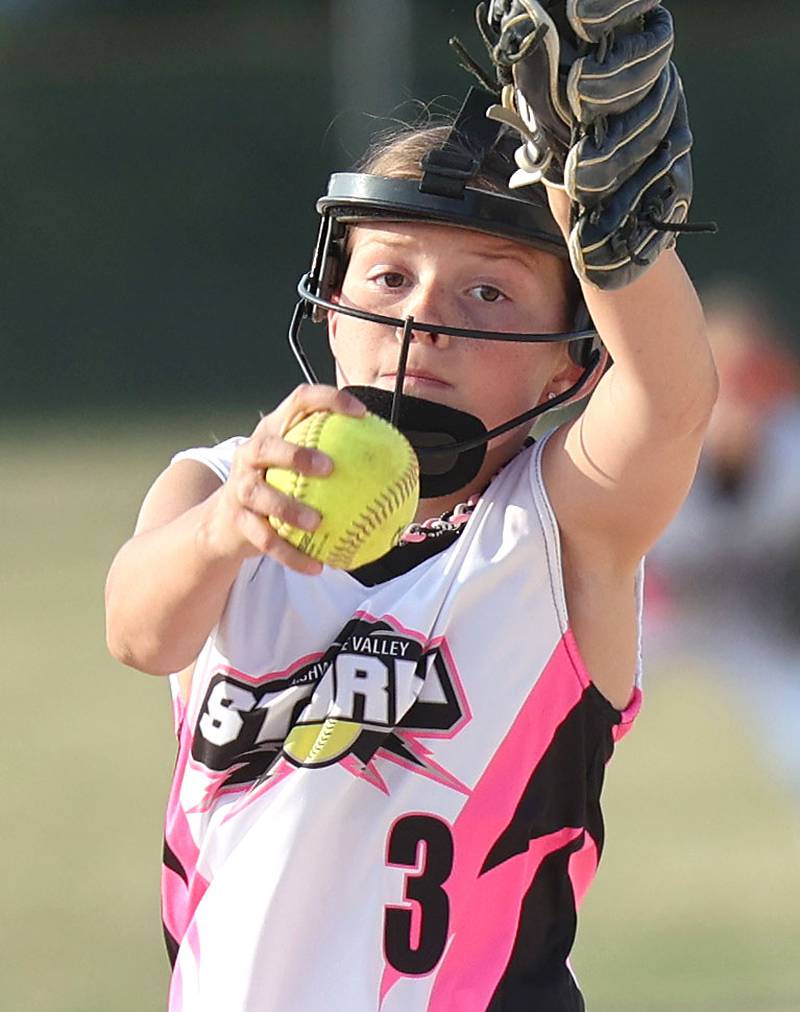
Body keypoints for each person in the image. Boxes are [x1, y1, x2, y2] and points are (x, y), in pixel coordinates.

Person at [104, 34, 717, 1012]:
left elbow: (671, 394)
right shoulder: (221, 486)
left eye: (487, 290)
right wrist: (225, 530)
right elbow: (139, 632)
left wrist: (591, 191)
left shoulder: (555, 529)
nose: (422, 321)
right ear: (333, 307)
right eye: (388, 278)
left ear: (568, 363)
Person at [647, 285, 800, 790]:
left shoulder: (791, 450)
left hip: (748, 620)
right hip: (650, 619)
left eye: (748, 378)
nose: (735, 394)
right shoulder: (650, 446)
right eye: (722, 376)